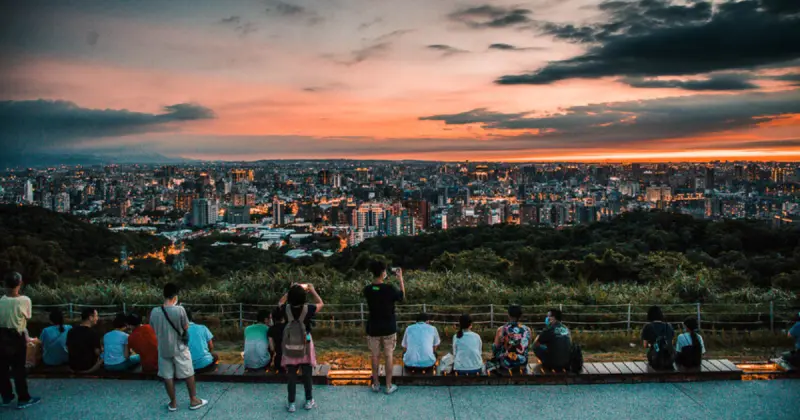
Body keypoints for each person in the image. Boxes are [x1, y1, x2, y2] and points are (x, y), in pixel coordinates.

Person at [149, 283, 207, 412]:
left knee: (167, 375)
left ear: (164, 295)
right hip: (179, 347)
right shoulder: (180, 309)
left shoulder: (155, 311)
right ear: (175, 296)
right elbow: (186, 327)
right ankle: (193, 400)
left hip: (163, 349)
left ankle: (173, 403)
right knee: (188, 373)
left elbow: (153, 328)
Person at [279, 283, 323, 413]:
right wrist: (313, 290)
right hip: (306, 346)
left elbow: (280, 301)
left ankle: (291, 403)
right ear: (304, 297)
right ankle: (309, 400)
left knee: (291, 376)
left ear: (290, 297)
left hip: (290, 346)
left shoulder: (285, 309)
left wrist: (291, 290)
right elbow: (321, 303)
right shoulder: (308, 309)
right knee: (307, 375)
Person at [363, 260, 405, 394]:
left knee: (374, 356)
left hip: (373, 327)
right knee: (388, 356)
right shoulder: (390, 289)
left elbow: (375, 290)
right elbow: (402, 297)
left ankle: (375, 384)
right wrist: (400, 278)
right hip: (388, 327)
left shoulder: (368, 289)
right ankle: (388, 386)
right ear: (382, 273)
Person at [0, 272, 41, 409]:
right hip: (16, 337)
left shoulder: (1, 301)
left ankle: (6, 396)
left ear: (5, 284)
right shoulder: (25, 300)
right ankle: (23, 398)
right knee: (19, 369)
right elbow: (27, 317)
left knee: (2, 369)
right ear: (20, 283)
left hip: (1, 336)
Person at [486, 305, 532, 373]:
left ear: (508, 315)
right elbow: (527, 346)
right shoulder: (527, 330)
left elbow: (495, 348)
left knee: (494, 351)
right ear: (520, 316)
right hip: (522, 363)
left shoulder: (501, 329)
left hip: (506, 364)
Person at [67, 307, 103, 373]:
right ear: (90, 318)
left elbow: (68, 348)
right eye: (96, 316)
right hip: (88, 366)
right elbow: (97, 352)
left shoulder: (71, 331)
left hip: (73, 366)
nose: (97, 318)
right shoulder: (93, 333)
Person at [641, 305, 676, 370]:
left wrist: (651, 345)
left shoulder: (647, 326)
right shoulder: (668, 326)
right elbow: (671, 342)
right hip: (669, 359)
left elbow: (645, 345)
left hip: (654, 359)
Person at [185, 309, 218, 373]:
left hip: (188, 368)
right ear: (191, 317)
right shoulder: (203, 327)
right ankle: (214, 369)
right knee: (215, 355)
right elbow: (211, 346)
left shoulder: (179, 331)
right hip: (207, 365)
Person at [267, 306, 286, 373]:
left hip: (279, 361)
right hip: (292, 361)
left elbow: (272, 348)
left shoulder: (271, 329)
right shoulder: (289, 327)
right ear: (283, 317)